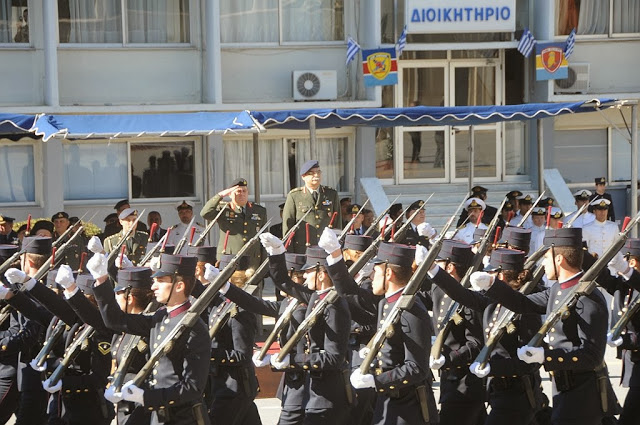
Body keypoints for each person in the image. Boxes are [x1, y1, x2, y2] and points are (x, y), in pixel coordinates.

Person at [471, 227, 619, 425]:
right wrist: (492, 284)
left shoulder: (588, 297)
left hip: (583, 395)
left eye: (547, 258)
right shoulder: (558, 289)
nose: (544, 263)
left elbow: (592, 356)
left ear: (560, 259)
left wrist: (546, 356)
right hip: (563, 389)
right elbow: (523, 304)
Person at [91, 252, 211, 425]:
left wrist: (147, 397)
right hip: (158, 416)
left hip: (182, 418)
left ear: (179, 286)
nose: (153, 287)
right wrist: (101, 280)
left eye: (160, 281)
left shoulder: (193, 328)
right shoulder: (161, 316)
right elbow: (116, 321)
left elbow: (193, 387)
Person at [428, 248, 543, 424]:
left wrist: (492, 367)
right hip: (497, 391)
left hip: (519, 394)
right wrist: (433, 270)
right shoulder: (492, 303)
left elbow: (529, 363)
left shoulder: (526, 309)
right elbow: (462, 295)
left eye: (491, 273)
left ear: (500, 277)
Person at [261, 233, 352, 425]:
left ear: (320, 274)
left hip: (328, 398)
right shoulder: (316, 297)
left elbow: (334, 357)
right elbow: (282, 281)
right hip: (314, 394)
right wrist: (276, 253)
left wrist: (291, 360)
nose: (304, 276)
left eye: (308, 272)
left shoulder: (334, 303)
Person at [350, 242, 438, 425]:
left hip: (408, 407)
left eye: (376, 272)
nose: (372, 277)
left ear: (388, 273)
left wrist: (377, 380)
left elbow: (416, 367)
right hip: (387, 400)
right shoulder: (386, 303)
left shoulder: (412, 310)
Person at [222, 251, 309, 425]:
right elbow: (256, 304)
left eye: (289, 277)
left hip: (305, 382)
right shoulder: (287, 303)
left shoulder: (308, 305)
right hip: (291, 382)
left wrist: (290, 360)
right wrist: (225, 287)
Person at [424, 240, 485, 425]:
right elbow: (414, 299)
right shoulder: (438, 289)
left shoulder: (470, 297)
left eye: (439, 263)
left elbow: (476, 343)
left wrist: (449, 358)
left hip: (465, 382)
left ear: (449, 267)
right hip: (448, 381)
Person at [204, 254, 262, 425]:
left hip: (234, 387)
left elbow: (242, 354)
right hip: (223, 383)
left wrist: (209, 354)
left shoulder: (238, 310)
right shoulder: (221, 304)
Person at [606, 239, 640, 425]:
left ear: (632, 262)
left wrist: (628, 340)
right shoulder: (624, 285)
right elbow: (602, 278)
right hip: (634, 361)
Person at [200, 178, 268, 270]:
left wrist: (264, 263)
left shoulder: (259, 210)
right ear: (230, 194)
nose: (242, 194)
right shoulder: (224, 209)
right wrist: (220, 195)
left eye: (244, 191)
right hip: (229, 259)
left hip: (253, 260)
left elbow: (264, 237)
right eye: (238, 191)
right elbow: (205, 213)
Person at [282, 160, 342, 254]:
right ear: (303, 177)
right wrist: (290, 252)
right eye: (311, 173)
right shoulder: (294, 196)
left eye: (318, 172)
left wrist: (337, 247)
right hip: (303, 249)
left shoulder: (331, 194)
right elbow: (288, 226)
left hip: (326, 249)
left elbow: (337, 223)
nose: (316, 175)